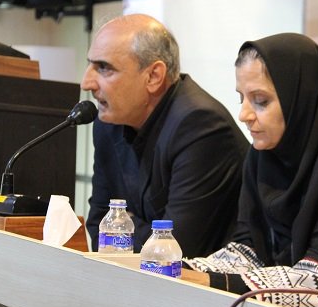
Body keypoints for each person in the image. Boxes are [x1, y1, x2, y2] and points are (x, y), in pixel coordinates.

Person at [182, 33, 318, 307]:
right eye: (242, 98)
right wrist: (179, 269)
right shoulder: (262, 154)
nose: (244, 114)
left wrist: (212, 281)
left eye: (260, 101)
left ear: (298, 100)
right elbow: (247, 248)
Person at [81, 14, 249, 257]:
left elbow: (175, 250)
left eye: (104, 68)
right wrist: (137, 229)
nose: (87, 83)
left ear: (153, 76)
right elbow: (99, 225)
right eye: (90, 65)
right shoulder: (109, 122)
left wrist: (125, 225)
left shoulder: (201, 125)